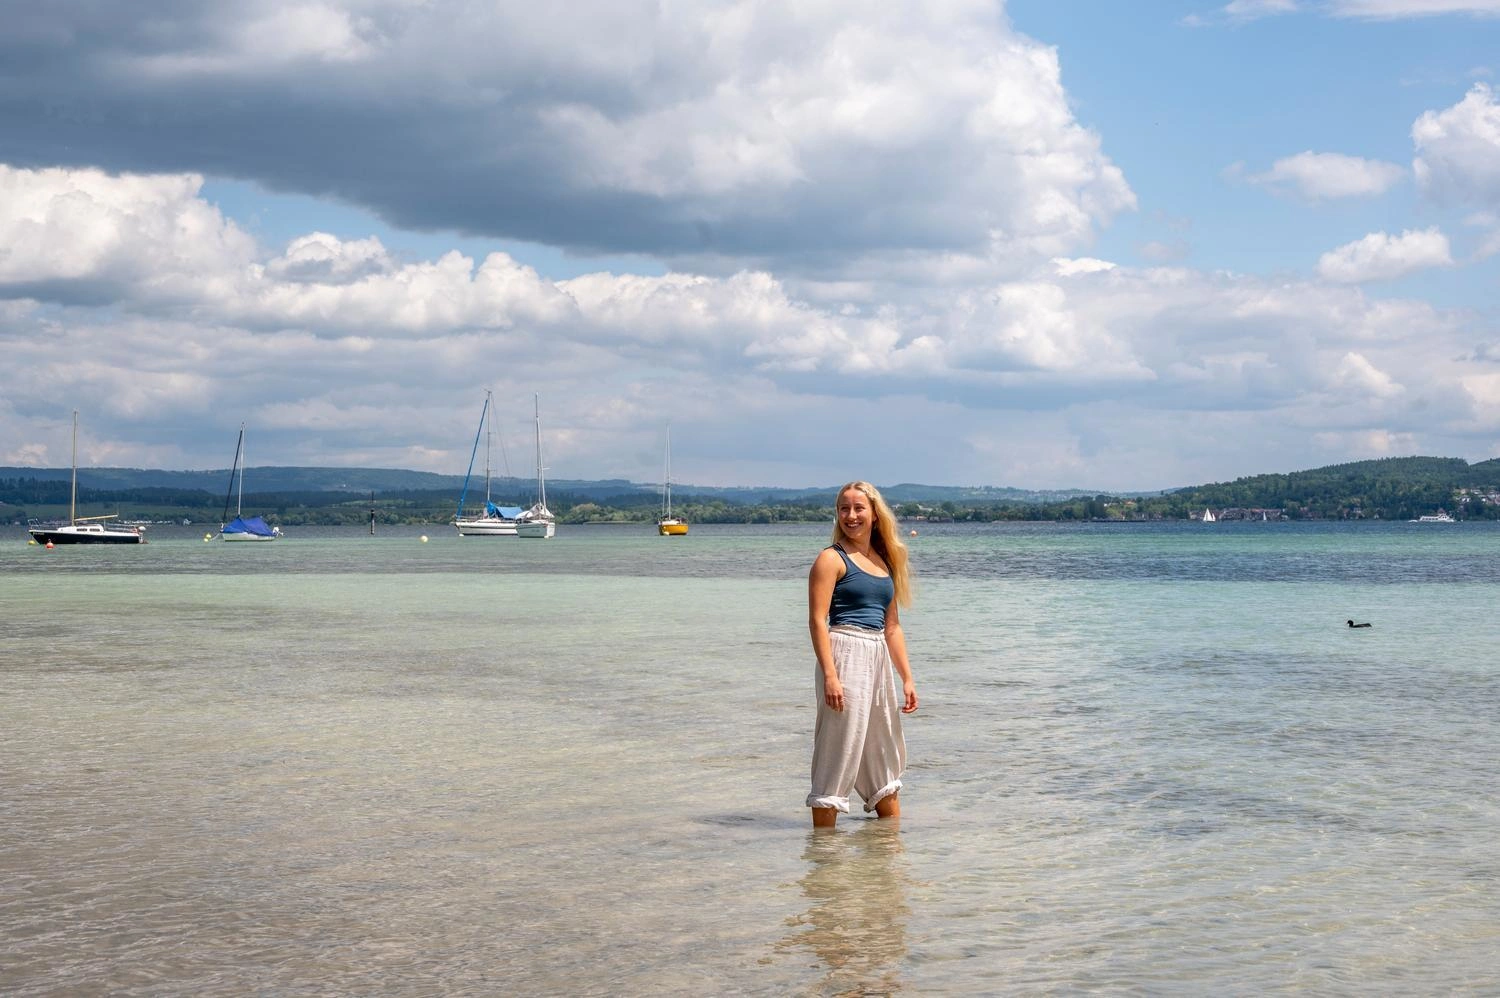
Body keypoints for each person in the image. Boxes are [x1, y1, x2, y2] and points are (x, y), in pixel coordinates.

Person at [806, 481, 918, 828]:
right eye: (844, 508)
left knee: (883, 750)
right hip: (844, 653)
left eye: (858, 508)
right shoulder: (830, 559)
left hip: (878, 656)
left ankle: (887, 858)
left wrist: (907, 677)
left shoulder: (885, 562)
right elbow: (817, 621)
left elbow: (893, 628)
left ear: (874, 514)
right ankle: (824, 861)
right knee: (838, 750)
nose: (851, 515)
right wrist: (830, 675)